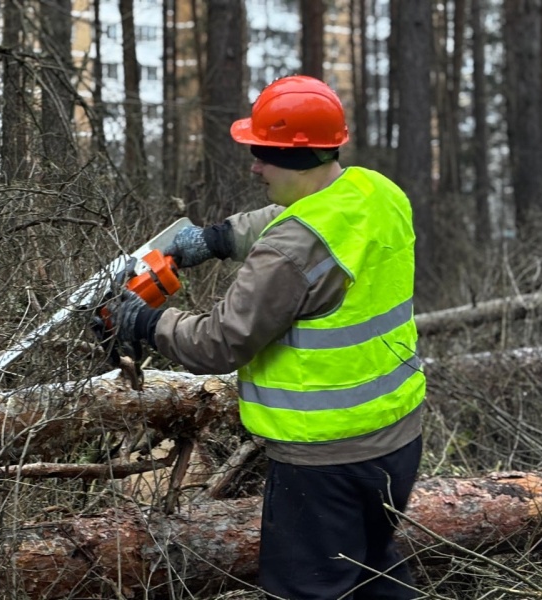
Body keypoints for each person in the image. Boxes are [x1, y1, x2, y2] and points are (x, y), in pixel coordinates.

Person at [108, 75, 426, 600]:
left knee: (307, 589)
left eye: (261, 154)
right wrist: (213, 239)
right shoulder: (375, 191)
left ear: (294, 158)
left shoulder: (287, 255)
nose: (254, 166)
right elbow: (296, 216)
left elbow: (220, 341)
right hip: (397, 437)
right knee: (374, 574)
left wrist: (146, 323)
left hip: (325, 460)